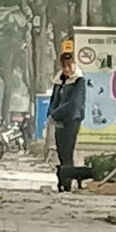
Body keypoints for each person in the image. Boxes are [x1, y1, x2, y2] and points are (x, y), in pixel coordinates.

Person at [47, 49, 88, 191]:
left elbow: (74, 104)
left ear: (74, 65)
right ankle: (62, 180)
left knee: (68, 151)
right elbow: (54, 99)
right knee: (60, 151)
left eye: (69, 66)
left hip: (71, 120)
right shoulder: (59, 81)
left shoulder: (79, 81)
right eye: (64, 66)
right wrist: (51, 113)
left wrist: (56, 113)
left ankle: (67, 183)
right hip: (59, 120)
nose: (67, 69)